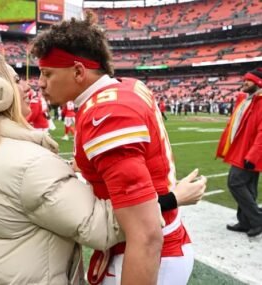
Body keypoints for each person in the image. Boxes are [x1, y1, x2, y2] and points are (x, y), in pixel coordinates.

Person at [31, 15, 206, 285]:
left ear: (78, 72)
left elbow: (145, 234)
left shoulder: (107, 113)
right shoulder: (126, 87)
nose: (40, 83)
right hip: (160, 241)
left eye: (47, 73)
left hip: (142, 253)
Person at [0, 52, 124, 285]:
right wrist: (168, 198)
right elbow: (101, 227)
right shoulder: (31, 164)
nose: (29, 86)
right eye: (17, 80)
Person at [216, 68, 262, 237]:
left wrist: (253, 155)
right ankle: (245, 222)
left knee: (235, 182)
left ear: (258, 83)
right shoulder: (248, 100)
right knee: (248, 186)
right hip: (243, 150)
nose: (244, 82)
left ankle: (257, 219)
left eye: (248, 81)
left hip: (250, 153)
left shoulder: (260, 102)